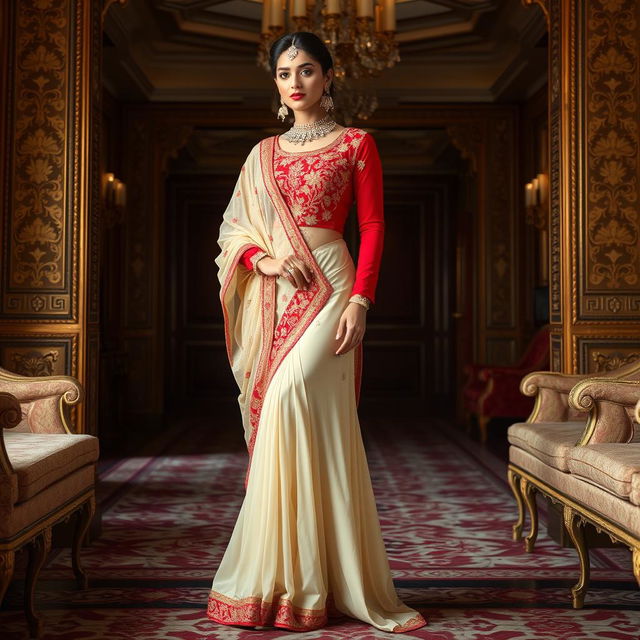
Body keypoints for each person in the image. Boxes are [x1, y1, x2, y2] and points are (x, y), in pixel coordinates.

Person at [208, 31, 426, 634]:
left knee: (298, 397)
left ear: (329, 78)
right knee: (282, 412)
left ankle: (326, 574)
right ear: (276, 84)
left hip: (332, 285)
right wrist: (266, 263)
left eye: (306, 70)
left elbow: (375, 225)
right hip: (280, 291)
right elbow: (234, 234)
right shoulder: (263, 155)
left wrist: (362, 300)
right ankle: (284, 578)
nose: (295, 82)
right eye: (284, 73)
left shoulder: (357, 143)